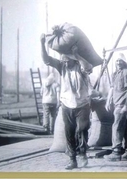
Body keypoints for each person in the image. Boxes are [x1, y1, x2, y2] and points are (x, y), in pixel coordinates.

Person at [40, 33, 93, 170]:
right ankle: (72, 159)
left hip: (82, 104)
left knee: (82, 129)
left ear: (72, 59)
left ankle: (83, 153)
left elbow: (88, 68)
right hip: (66, 104)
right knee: (69, 131)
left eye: (67, 60)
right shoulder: (62, 67)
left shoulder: (79, 66)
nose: (64, 62)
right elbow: (46, 60)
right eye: (63, 60)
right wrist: (42, 44)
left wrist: (77, 55)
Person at [104, 53, 127, 161]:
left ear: (124, 62)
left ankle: (116, 152)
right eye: (117, 61)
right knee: (125, 128)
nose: (118, 63)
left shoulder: (126, 73)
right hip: (117, 103)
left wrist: (126, 106)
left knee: (116, 127)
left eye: (120, 61)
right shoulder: (115, 74)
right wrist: (108, 101)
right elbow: (112, 88)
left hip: (122, 105)